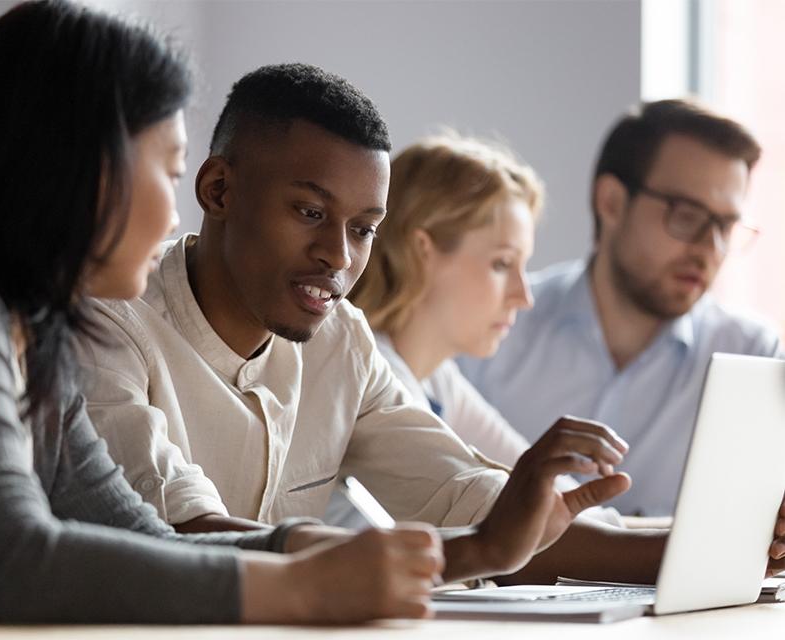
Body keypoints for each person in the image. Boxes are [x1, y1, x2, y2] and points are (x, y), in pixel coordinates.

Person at [0, 1, 454, 627]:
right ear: (79, 166)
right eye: (167, 169)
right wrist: (298, 585)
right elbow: (11, 561)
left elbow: (143, 535)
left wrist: (292, 547)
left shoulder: (30, 331)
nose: (172, 217)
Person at [82, 61, 756, 586]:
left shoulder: (341, 341)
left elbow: (472, 499)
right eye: (310, 213)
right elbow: (183, 536)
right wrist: (481, 548)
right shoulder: (111, 325)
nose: (339, 257)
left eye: (364, 229)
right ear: (218, 190)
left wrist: (735, 549)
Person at [459, 99, 785, 517]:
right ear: (611, 202)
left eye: (724, 226)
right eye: (687, 216)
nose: (709, 249)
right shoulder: (496, 325)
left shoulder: (751, 355)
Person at [347, 133, 621, 527]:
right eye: (501, 264)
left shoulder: (438, 380)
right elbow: (505, 515)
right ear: (422, 252)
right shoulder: (373, 371)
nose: (524, 296)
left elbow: (559, 498)